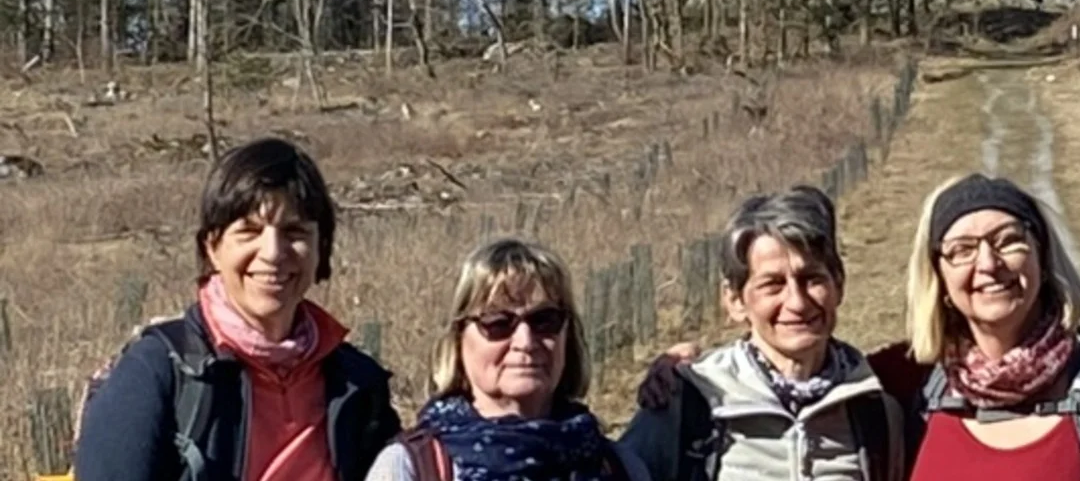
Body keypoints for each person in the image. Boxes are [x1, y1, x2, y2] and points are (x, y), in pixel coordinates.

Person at [75, 137, 402, 481]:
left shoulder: (357, 384)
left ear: (322, 246)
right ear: (212, 247)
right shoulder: (158, 372)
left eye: (294, 232)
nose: (273, 253)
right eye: (249, 232)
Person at [902, 172, 1080, 481]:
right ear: (939, 279)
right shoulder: (912, 389)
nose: (987, 264)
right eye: (962, 250)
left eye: (1008, 241)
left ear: (1043, 258)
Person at [618, 186, 909, 481]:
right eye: (773, 284)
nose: (797, 302)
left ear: (839, 285)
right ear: (734, 301)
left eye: (812, 279)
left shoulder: (878, 416)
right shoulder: (690, 402)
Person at [368, 237, 645, 481]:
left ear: (567, 336)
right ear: (458, 339)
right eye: (498, 322)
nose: (525, 342)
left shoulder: (619, 467)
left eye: (544, 320)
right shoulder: (412, 468)